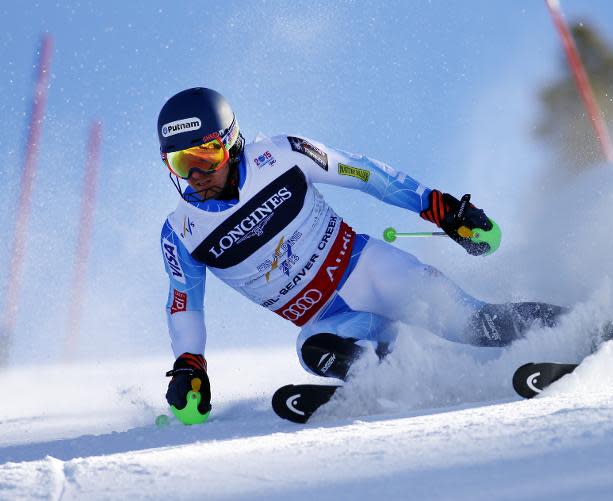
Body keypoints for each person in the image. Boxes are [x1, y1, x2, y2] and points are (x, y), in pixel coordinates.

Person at [158, 87, 568, 418]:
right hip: (334, 320)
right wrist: (190, 364)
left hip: (373, 273)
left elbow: (363, 173)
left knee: (477, 326)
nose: (196, 176)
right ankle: (408, 377)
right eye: (181, 163)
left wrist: (437, 207)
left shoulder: (281, 155)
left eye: (205, 156)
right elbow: (184, 305)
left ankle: (587, 329)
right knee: (313, 350)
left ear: (230, 143)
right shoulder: (181, 232)